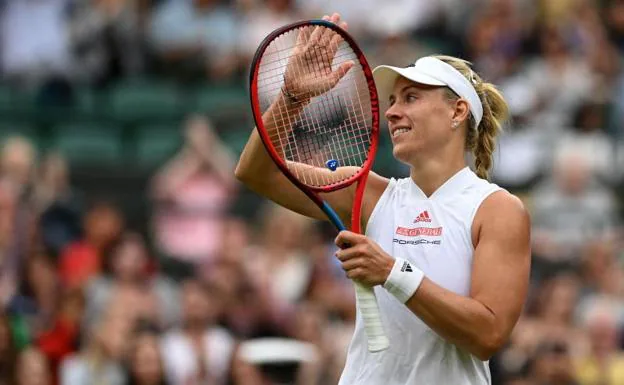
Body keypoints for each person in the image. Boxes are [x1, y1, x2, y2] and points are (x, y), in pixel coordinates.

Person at [235, 12, 531, 385]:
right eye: (391, 100)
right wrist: (293, 97)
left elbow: (487, 335)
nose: (392, 112)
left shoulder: (497, 208)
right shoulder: (368, 194)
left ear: (457, 111)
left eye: (411, 98)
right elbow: (256, 173)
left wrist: (393, 273)